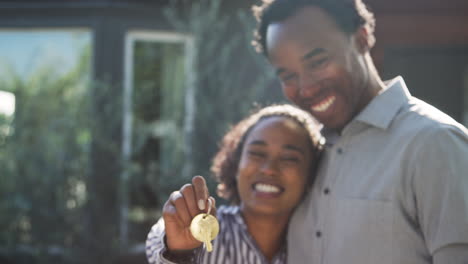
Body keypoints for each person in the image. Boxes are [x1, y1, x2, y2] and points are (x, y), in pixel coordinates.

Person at [251, 0, 468, 263]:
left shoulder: (435, 144)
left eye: (318, 61)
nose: (306, 88)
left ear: (362, 39)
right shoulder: (308, 155)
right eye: (288, 76)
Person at [146, 104, 324, 263]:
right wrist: (179, 252)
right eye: (257, 153)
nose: (269, 169)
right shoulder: (199, 229)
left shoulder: (321, 246)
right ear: (236, 164)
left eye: (289, 158)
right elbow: (157, 245)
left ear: (311, 173)